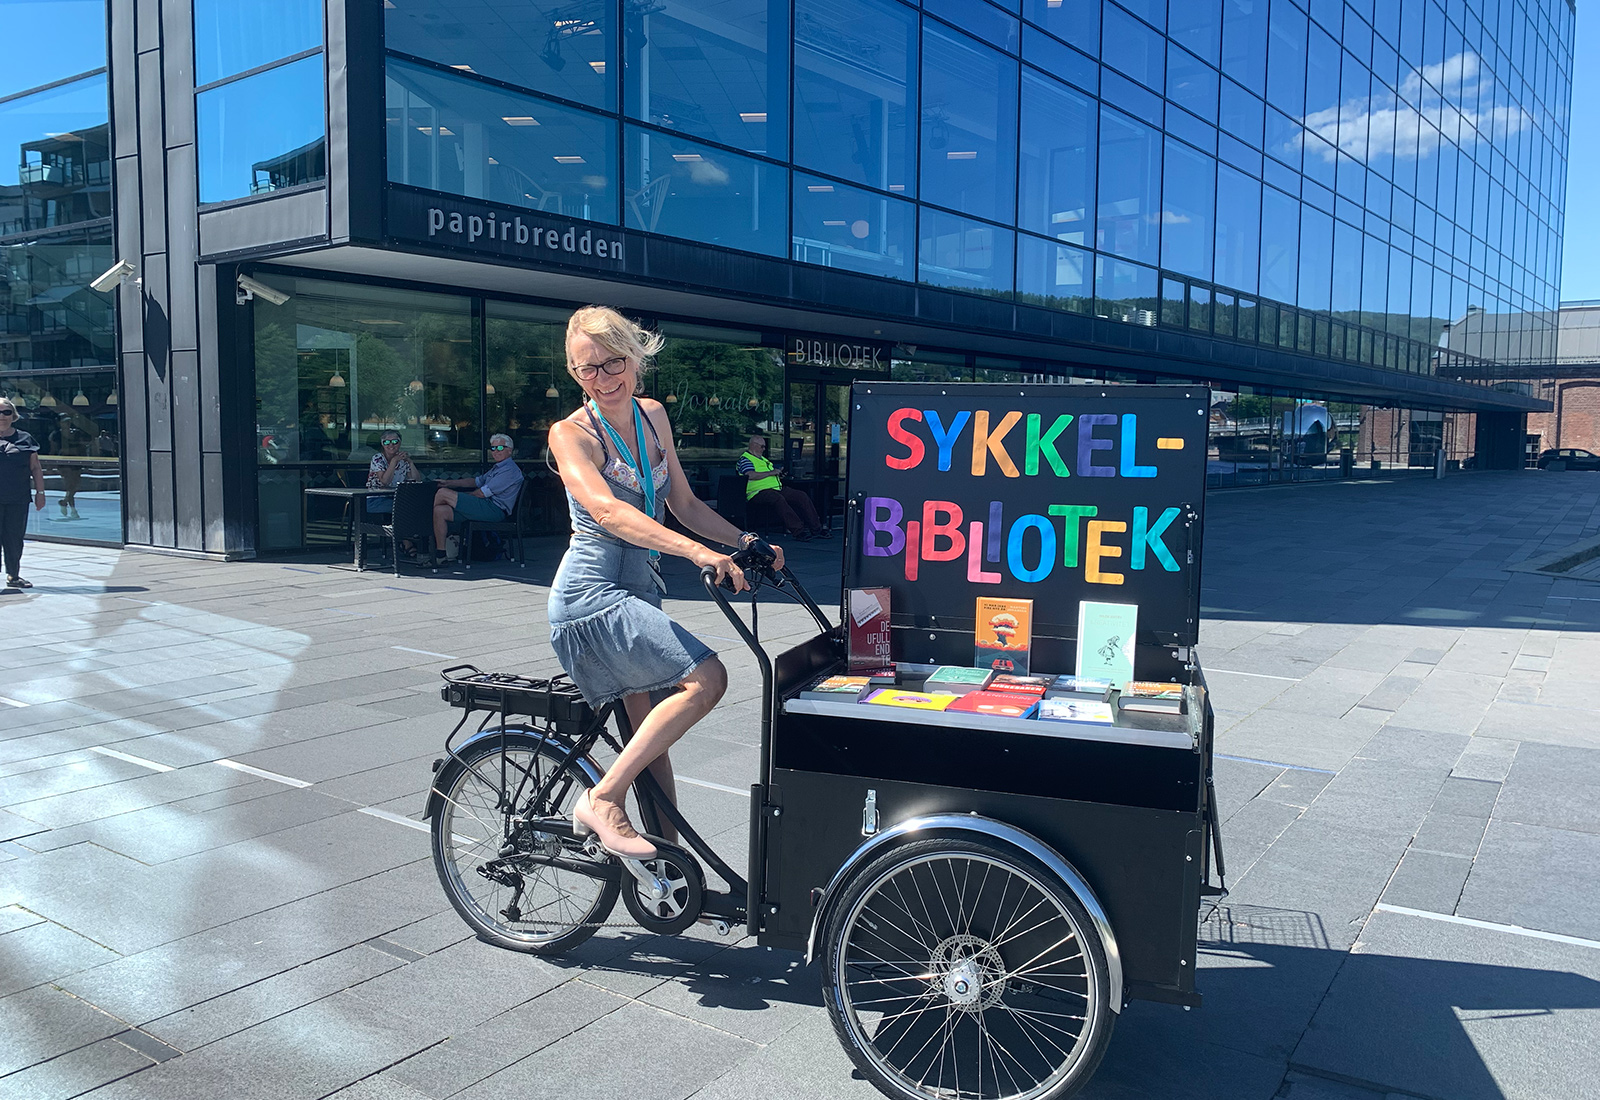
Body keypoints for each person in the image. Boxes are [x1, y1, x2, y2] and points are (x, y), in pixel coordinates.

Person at [547, 306, 785, 860]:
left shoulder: (653, 415)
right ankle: (603, 799)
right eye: (588, 370)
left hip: (639, 590)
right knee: (707, 677)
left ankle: (670, 876)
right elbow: (607, 512)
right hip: (593, 597)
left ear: (635, 358)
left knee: (650, 745)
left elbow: (683, 503)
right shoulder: (570, 434)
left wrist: (745, 544)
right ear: (572, 371)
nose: (604, 380)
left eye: (614, 363)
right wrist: (701, 554)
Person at [431, 432, 523, 566]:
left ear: (509, 450)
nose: (495, 452)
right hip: (484, 506)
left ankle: (420, 527)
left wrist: (457, 498)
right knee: (440, 510)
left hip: (494, 510)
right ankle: (440, 555)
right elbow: (475, 482)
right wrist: (448, 483)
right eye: (493, 448)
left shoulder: (510, 470)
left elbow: (481, 494)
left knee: (443, 494)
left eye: (500, 448)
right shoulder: (497, 467)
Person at [737, 433, 827, 540]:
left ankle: (817, 529)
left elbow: (769, 474)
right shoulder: (745, 460)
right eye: (762, 446)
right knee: (778, 499)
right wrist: (771, 473)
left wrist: (778, 474)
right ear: (753, 445)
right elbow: (750, 475)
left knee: (801, 496)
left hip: (776, 488)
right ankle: (798, 531)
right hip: (757, 492)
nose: (764, 449)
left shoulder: (763, 460)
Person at [0, 398, 47, 589]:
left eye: (6, 412)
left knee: (14, 537)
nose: (2, 417)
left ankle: (13, 575)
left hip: (17, 498)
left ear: (13, 415)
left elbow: (35, 467)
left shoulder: (24, 438)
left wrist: (40, 492)